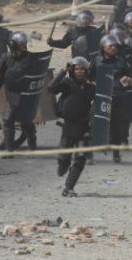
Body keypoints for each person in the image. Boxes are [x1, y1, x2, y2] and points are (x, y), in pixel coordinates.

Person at [50, 56, 95, 197]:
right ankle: (62, 166)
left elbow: (101, 104)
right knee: (64, 159)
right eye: (77, 69)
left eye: (82, 69)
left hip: (84, 127)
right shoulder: (67, 83)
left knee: (80, 158)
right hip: (69, 126)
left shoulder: (91, 87)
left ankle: (69, 187)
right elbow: (51, 88)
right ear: (72, 70)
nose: (80, 72)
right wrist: (63, 71)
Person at [90, 34, 132, 163]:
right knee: (93, 125)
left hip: (117, 97)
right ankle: (89, 154)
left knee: (116, 127)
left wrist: (129, 80)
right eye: (110, 46)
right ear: (103, 47)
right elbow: (88, 77)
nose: (113, 48)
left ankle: (116, 153)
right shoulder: (95, 61)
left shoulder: (122, 61)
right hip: (100, 98)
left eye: (115, 46)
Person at [0, 31, 38, 151]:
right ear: (14, 44)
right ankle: (9, 149)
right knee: (7, 120)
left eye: (25, 43)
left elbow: (36, 75)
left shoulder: (30, 58)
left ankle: (32, 145)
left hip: (26, 95)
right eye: (21, 43)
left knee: (26, 122)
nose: (24, 45)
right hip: (12, 95)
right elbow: (1, 74)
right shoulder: (6, 58)